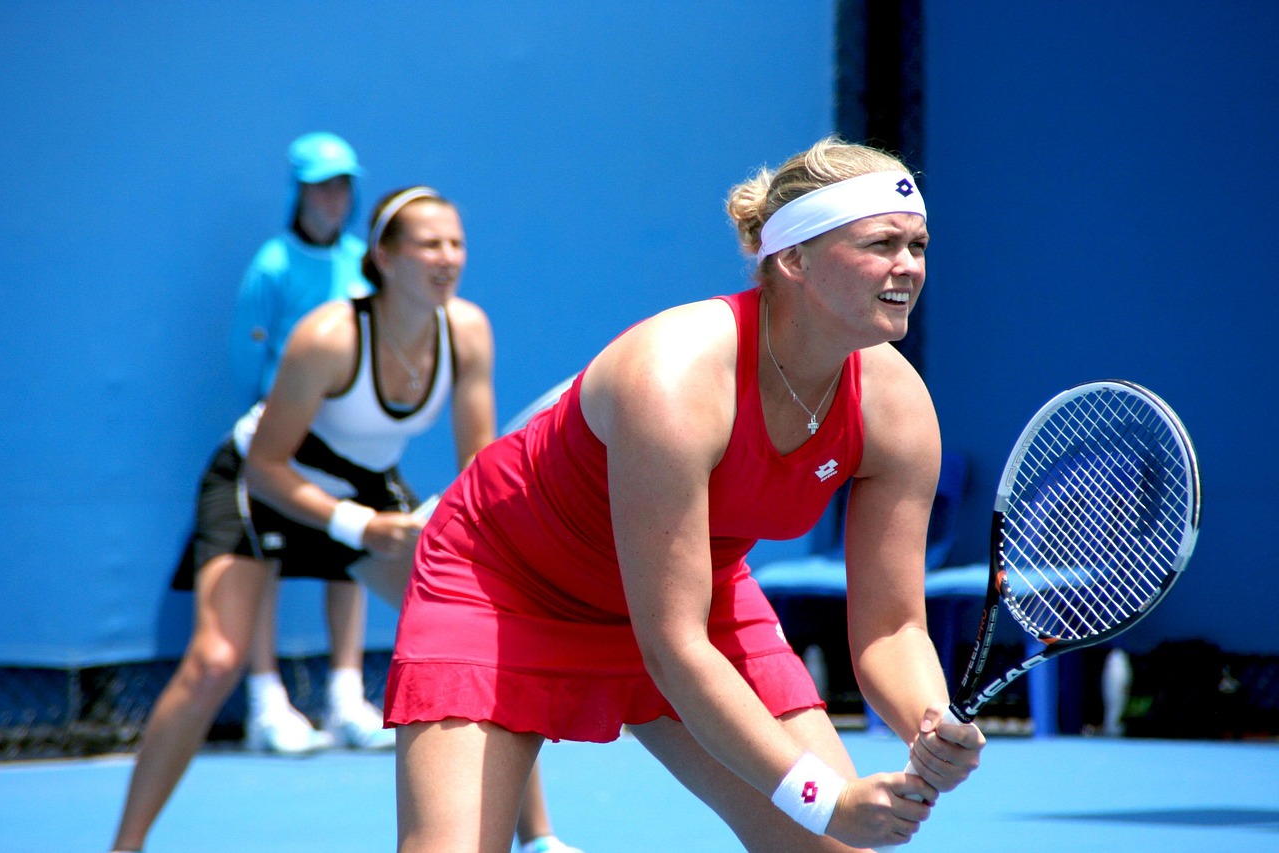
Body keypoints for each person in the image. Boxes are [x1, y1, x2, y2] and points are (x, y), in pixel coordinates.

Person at [386, 137, 987, 852]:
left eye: (917, 245)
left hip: (693, 598)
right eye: (881, 243)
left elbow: (891, 629)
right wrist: (824, 799)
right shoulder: (672, 377)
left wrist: (929, 720)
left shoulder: (898, 409)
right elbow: (673, 648)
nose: (908, 266)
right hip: (505, 585)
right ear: (794, 260)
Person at [112, 187, 581, 853]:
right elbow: (264, 466)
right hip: (263, 484)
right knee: (215, 661)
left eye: (456, 243)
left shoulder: (468, 331)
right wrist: (357, 526)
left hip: (365, 489)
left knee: (482, 633)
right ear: (384, 257)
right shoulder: (328, 337)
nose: (448, 257)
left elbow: (479, 466)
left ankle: (538, 839)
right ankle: (124, 847)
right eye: (429, 244)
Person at [225, 130, 386, 753]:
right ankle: (266, 704)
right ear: (299, 191)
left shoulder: (361, 263)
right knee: (264, 561)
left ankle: (346, 699)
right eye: (322, 186)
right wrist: (274, 420)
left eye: (343, 185)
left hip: (345, 439)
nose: (334, 198)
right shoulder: (272, 265)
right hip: (282, 436)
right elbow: (248, 357)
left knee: (350, 555)